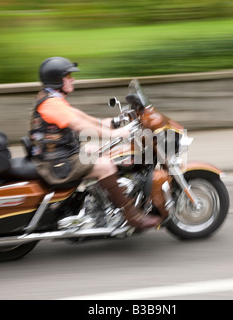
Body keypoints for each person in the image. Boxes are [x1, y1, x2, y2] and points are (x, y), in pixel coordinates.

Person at [29, 57, 161, 229]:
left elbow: (84, 118)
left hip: (60, 155)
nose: (72, 79)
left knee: (103, 150)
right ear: (57, 79)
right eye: (68, 76)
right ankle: (132, 215)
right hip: (56, 164)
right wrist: (115, 133)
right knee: (105, 165)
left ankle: (101, 202)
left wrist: (114, 121)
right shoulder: (51, 104)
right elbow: (80, 125)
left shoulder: (52, 98)